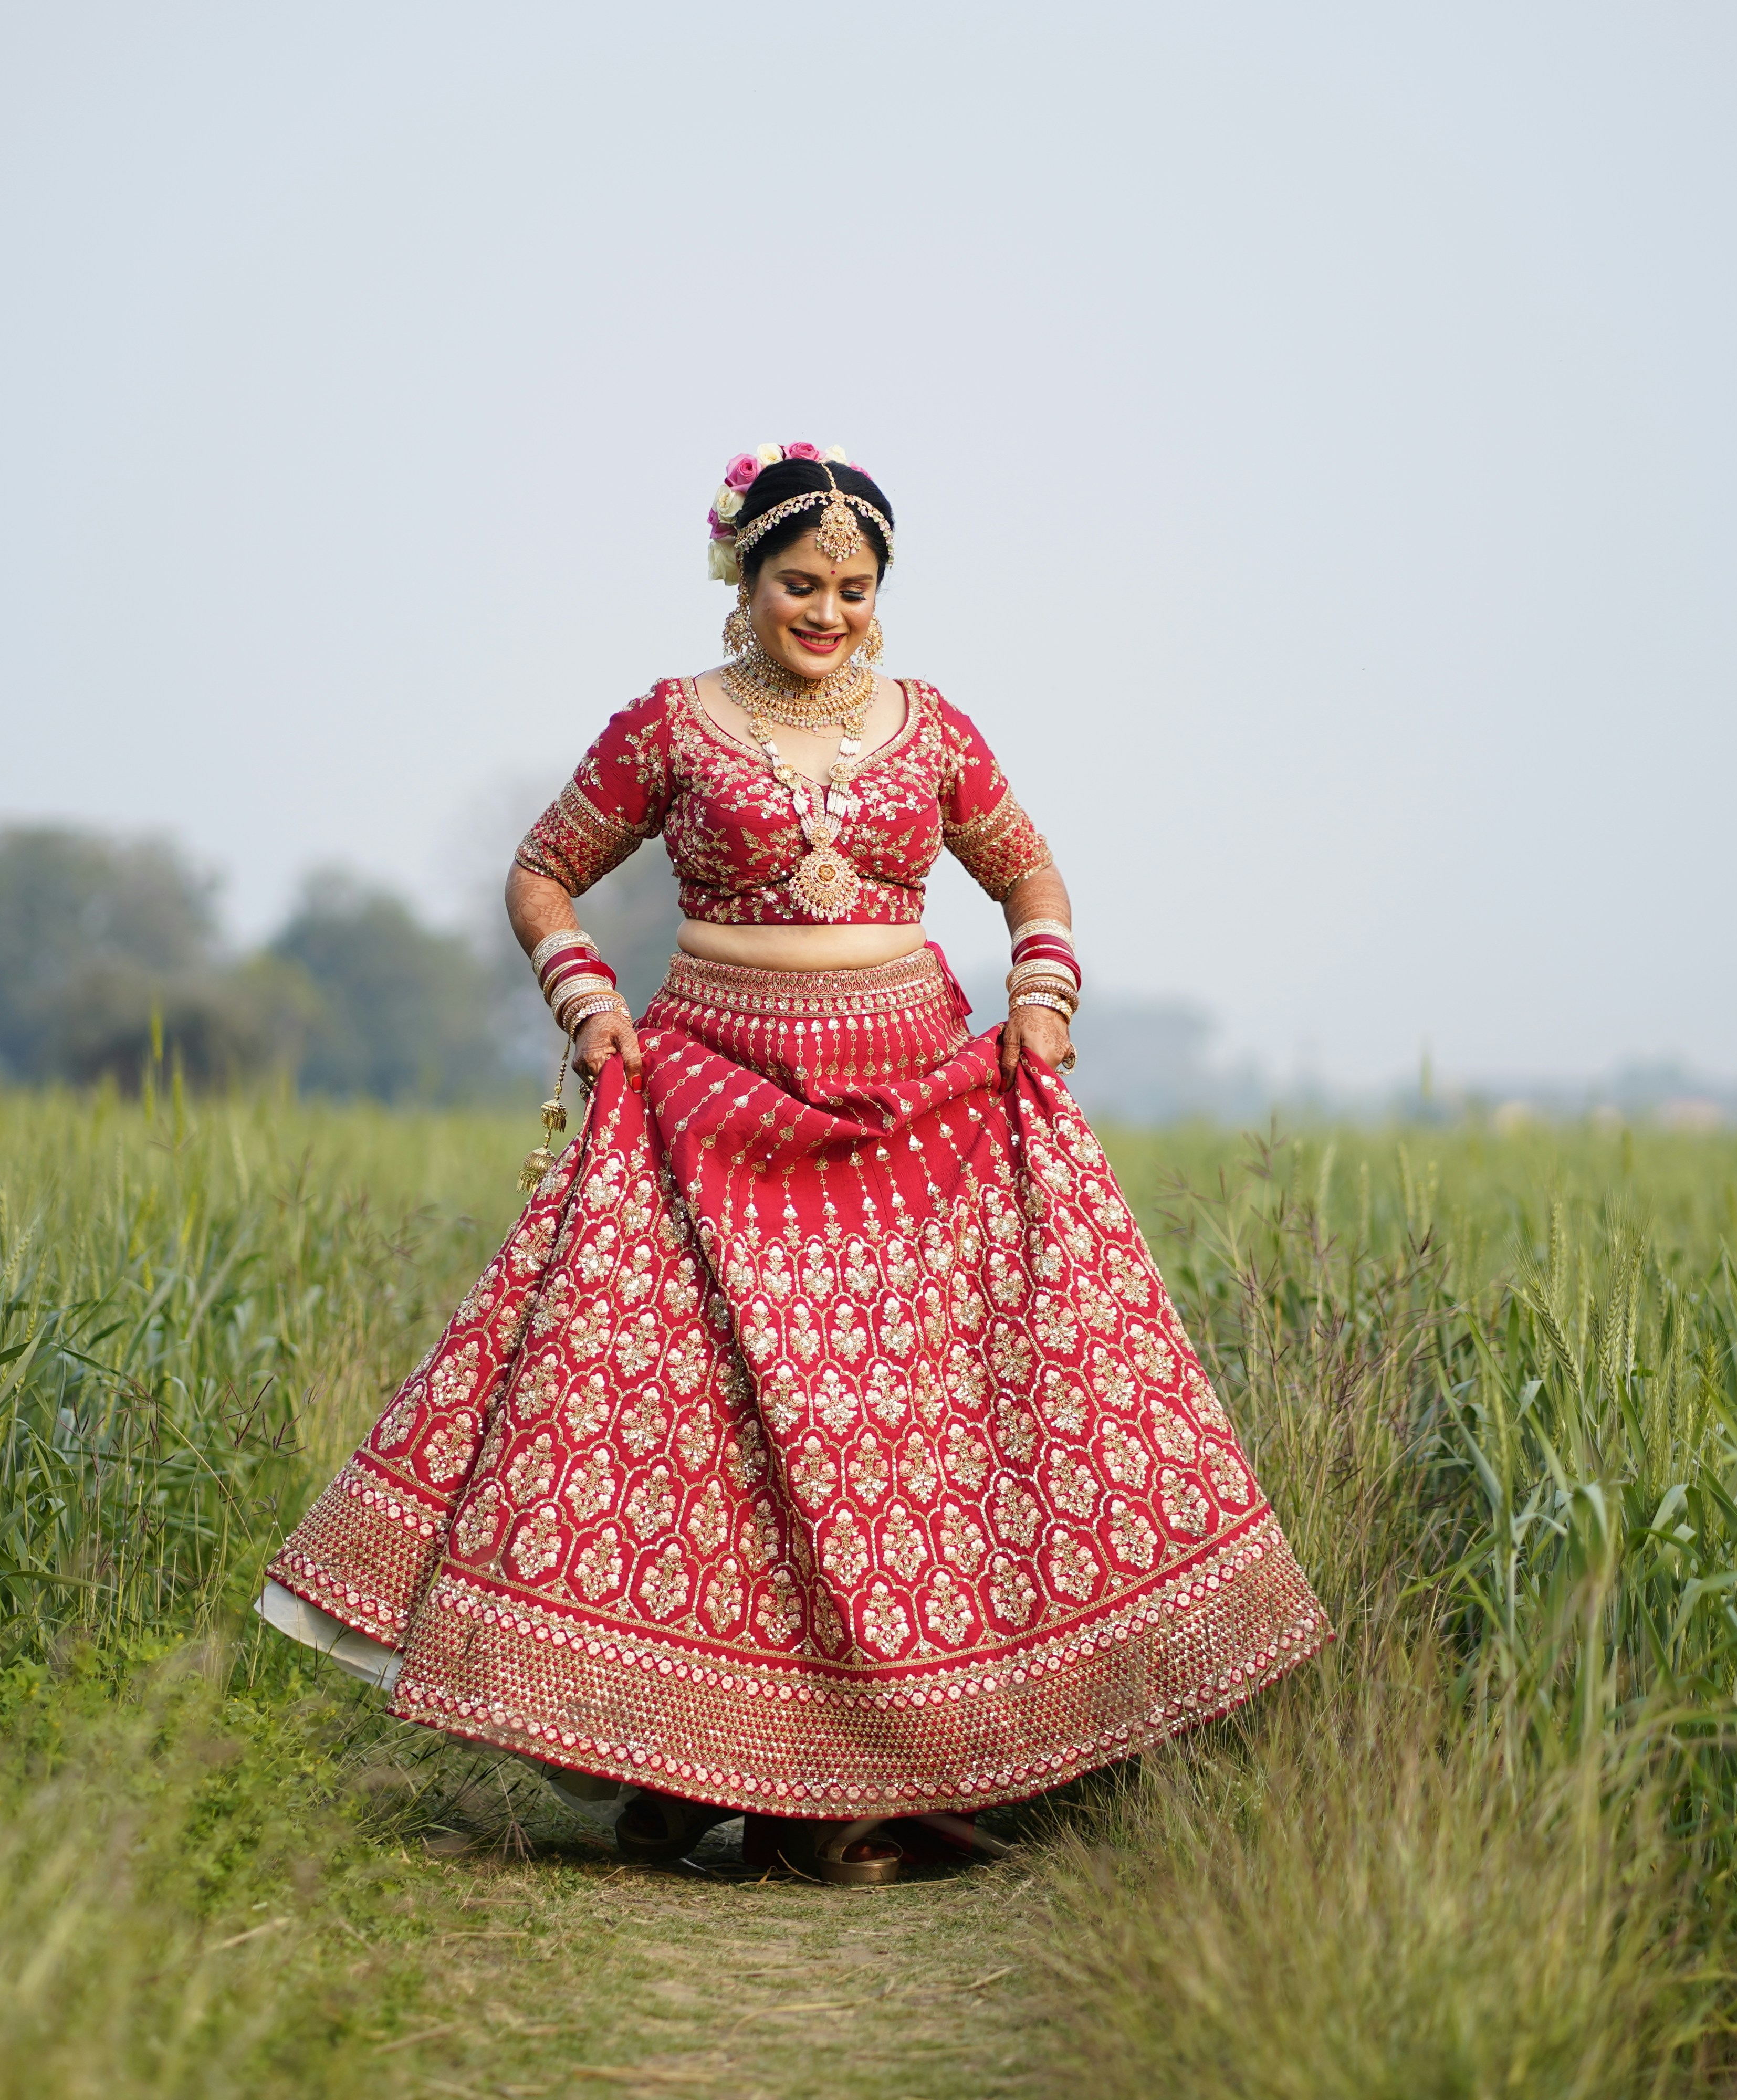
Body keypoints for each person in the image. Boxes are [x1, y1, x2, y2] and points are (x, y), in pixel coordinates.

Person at [259, 444, 1325, 1883]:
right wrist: (589, 1006)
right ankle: (681, 1755)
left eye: (856, 589)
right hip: (709, 1105)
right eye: (801, 584)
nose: (829, 613)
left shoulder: (931, 731)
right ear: (741, 580)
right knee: (708, 1435)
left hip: (920, 1111)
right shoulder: (671, 730)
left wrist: (1044, 1002)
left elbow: (1031, 877)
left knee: (903, 1444)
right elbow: (541, 872)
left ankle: (889, 1771)